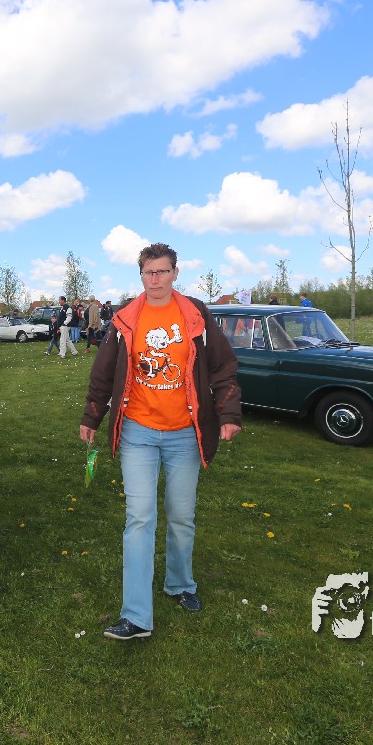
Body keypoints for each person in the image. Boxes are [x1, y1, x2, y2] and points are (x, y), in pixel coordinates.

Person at [79, 242, 243, 641]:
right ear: (141, 275)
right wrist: (92, 416)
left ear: (175, 273)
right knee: (139, 518)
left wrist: (228, 413)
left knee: (181, 515)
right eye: (148, 272)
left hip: (185, 432)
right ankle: (136, 616)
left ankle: (180, 583)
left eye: (162, 271)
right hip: (137, 431)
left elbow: (222, 367)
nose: (155, 279)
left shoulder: (196, 315)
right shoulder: (125, 319)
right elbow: (103, 372)